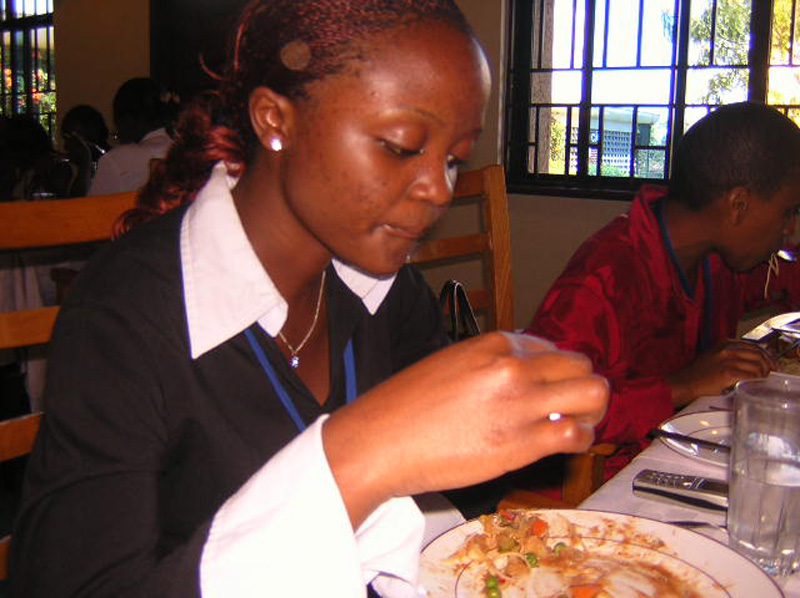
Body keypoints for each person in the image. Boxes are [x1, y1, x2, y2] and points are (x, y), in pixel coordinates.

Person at [9, 1, 608, 597]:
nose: (437, 190)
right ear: (275, 120)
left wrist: (516, 422)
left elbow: (452, 506)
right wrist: (360, 454)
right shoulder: (125, 316)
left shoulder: (386, 294)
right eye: (401, 146)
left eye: (454, 160)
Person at [525, 101, 800, 483]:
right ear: (738, 205)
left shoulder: (716, 260)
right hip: (598, 486)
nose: (790, 231)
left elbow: (783, 280)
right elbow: (543, 409)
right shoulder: (606, 276)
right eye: (788, 212)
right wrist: (682, 386)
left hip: (677, 461)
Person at [88, 77, 175, 196]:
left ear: (128, 120)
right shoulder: (187, 150)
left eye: (117, 124)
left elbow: (94, 205)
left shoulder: (116, 160)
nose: (118, 132)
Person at [60, 104, 111, 196]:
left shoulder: (113, 163)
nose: (66, 146)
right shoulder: (69, 171)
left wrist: (85, 161)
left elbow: (83, 200)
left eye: (71, 138)